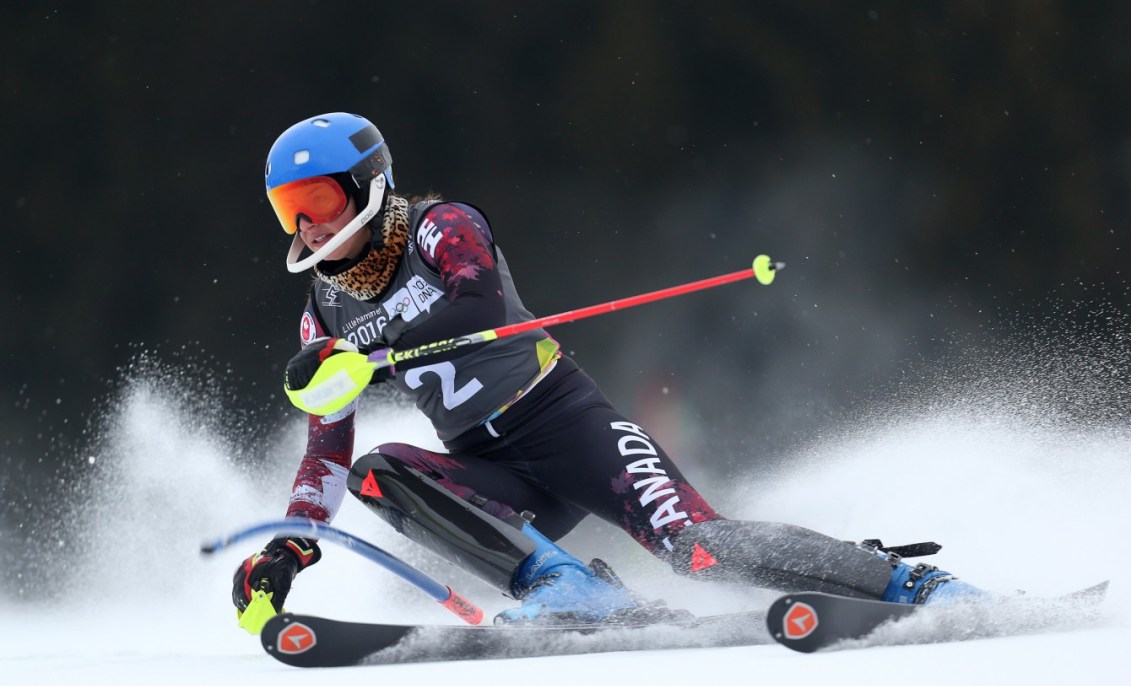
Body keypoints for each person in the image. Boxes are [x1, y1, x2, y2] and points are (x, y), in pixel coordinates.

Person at [232, 112, 985, 631]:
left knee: (697, 547)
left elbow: (475, 301)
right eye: (286, 209)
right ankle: (567, 586)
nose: (306, 226)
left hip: (568, 427)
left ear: (367, 185)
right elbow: (325, 449)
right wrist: (288, 546)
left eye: (318, 200)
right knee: (375, 469)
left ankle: (905, 583)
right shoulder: (323, 314)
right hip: (495, 474)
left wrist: (371, 356)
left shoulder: (439, 226)